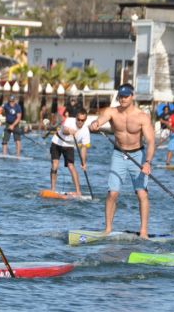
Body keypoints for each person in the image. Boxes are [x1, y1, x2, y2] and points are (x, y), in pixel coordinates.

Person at [89, 83, 155, 238]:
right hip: (119, 154)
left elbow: (151, 141)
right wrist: (95, 124)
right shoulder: (112, 112)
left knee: (142, 194)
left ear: (132, 96)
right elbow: (101, 120)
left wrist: (147, 162)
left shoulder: (142, 117)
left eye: (126, 96)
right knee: (112, 193)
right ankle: (107, 229)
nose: (123, 99)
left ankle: (144, 231)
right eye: (121, 96)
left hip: (138, 156)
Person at [49, 109, 90, 197]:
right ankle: (52, 189)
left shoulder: (86, 131)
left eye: (82, 120)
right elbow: (64, 130)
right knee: (55, 164)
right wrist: (69, 131)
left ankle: (78, 192)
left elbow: (83, 148)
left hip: (70, 146)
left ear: (85, 120)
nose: (79, 122)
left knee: (71, 166)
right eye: (78, 119)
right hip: (57, 141)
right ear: (76, 118)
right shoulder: (69, 120)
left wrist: (83, 162)